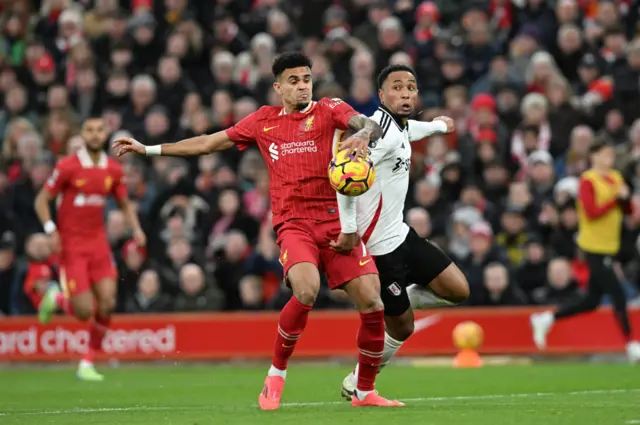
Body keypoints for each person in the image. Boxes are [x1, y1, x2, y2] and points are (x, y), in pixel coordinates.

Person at [112, 52, 404, 409]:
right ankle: (276, 374)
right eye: (294, 81)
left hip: (336, 222)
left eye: (307, 79)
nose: (302, 86)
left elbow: (366, 121)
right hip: (293, 224)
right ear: (278, 86)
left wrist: (363, 134)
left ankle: (365, 391)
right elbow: (206, 143)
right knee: (307, 289)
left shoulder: (329, 109)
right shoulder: (262, 122)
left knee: (373, 301)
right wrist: (148, 149)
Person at [337, 65, 470, 399]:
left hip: (402, 235)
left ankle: (403, 299)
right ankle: (360, 381)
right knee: (403, 327)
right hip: (380, 251)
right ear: (381, 95)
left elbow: (409, 132)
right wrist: (349, 229)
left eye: (411, 87)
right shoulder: (376, 132)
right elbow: (343, 179)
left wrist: (438, 126)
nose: (406, 93)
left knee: (458, 289)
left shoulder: (398, 127)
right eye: (397, 88)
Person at [34, 116, 146, 381]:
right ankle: (56, 298)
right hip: (72, 247)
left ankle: (87, 361)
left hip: (98, 244)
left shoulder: (113, 169)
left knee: (106, 303)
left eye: (100, 130)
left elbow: (124, 203)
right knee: (84, 311)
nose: (95, 135)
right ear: (82, 134)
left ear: (106, 134)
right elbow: (42, 200)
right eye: (90, 130)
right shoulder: (67, 166)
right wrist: (51, 230)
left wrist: (137, 229)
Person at [530, 140, 640, 362]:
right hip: (594, 246)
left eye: (611, 154)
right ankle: (631, 343)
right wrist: (615, 198)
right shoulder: (588, 181)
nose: (610, 158)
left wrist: (626, 198)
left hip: (610, 245)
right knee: (617, 293)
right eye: (606, 154)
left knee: (591, 300)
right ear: (594, 156)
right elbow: (592, 212)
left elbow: (626, 210)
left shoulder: (616, 178)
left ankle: (547, 319)